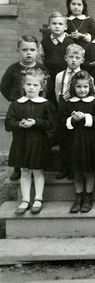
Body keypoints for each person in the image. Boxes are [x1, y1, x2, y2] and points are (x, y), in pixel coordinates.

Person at [5, 68, 56, 215]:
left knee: (37, 171)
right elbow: (8, 123)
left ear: (41, 87)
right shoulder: (16, 104)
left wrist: (35, 122)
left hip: (38, 142)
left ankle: (38, 198)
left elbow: (52, 124)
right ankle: (25, 199)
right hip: (21, 142)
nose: (31, 88)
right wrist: (19, 124)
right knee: (24, 171)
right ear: (23, 86)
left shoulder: (45, 104)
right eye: (28, 84)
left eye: (35, 85)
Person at [1, 35, 49, 181]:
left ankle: (36, 166)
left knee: (35, 139)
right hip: (19, 108)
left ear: (37, 51)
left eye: (32, 50)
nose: (28, 53)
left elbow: (48, 86)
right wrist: (13, 99)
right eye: (25, 49)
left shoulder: (41, 68)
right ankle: (18, 168)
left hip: (37, 108)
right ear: (18, 50)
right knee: (19, 139)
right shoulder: (13, 69)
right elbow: (4, 86)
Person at [59, 71, 95, 213]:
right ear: (73, 87)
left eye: (85, 87)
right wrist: (72, 119)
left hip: (90, 142)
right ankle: (79, 197)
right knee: (78, 170)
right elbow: (61, 121)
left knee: (89, 169)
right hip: (74, 142)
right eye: (79, 87)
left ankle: (89, 197)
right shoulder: (67, 104)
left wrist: (86, 117)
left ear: (90, 87)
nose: (82, 90)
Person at [54, 43, 86, 180]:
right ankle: (64, 168)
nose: (73, 60)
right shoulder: (60, 76)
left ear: (82, 60)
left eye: (77, 57)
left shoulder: (87, 76)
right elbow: (57, 93)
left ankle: (75, 169)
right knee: (64, 140)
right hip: (64, 109)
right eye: (71, 57)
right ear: (65, 58)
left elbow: (91, 94)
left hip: (80, 109)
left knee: (76, 142)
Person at [41, 11, 74, 103]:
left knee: (63, 100)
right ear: (49, 25)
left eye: (60, 24)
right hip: (49, 76)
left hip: (64, 77)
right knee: (50, 100)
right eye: (54, 23)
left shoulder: (69, 43)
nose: (57, 26)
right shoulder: (45, 42)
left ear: (65, 27)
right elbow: (42, 57)